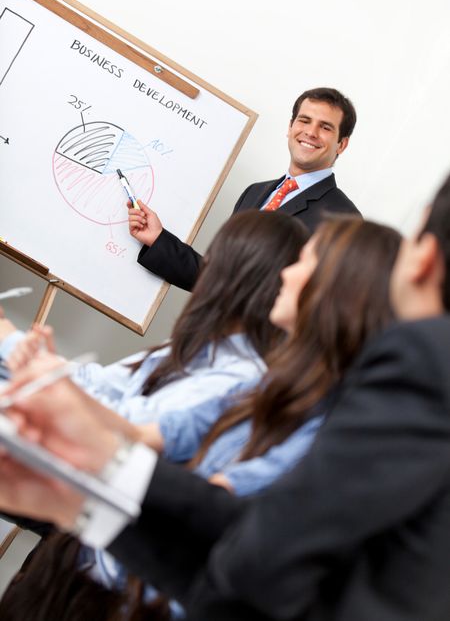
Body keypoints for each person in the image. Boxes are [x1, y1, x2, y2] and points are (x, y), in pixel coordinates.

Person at [2, 173, 450, 620]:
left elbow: (251, 547)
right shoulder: (282, 384)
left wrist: (87, 453)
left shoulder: (389, 374)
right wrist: (74, 493)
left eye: (305, 263)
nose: (287, 276)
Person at [0, 210, 309, 424]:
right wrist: (17, 346)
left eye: (218, 256)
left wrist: (13, 344)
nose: (206, 266)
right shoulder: (202, 345)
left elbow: (117, 422)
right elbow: (103, 383)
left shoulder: (236, 376)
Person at [129, 87, 361, 291]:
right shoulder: (254, 193)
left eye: (326, 127)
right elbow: (215, 278)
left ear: (342, 144)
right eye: (304, 120)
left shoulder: (344, 222)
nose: (310, 132)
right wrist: (158, 238)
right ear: (290, 128)